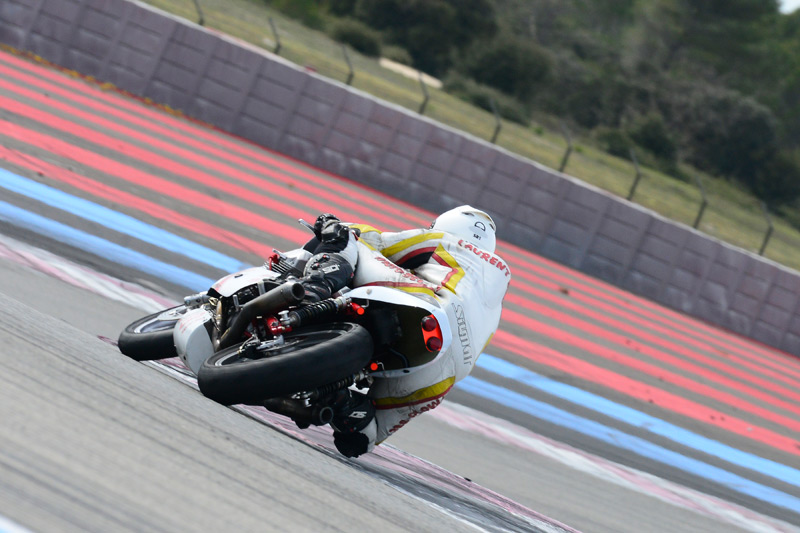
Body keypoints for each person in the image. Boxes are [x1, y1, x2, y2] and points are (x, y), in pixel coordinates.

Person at [294, 205, 511, 457]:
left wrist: (332, 225)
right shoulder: (495, 301)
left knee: (346, 238)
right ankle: (340, 400)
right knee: (362, 439)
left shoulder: (444, 240)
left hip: (426, 308)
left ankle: (312, 290)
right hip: (443, 374)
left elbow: (372, 239)